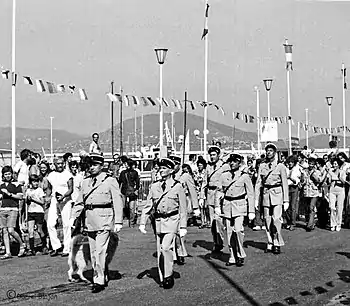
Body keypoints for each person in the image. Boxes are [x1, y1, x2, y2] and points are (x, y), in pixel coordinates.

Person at [70, 153, 123, 293]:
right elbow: (80, 202)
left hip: (104, 218)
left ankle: (98, 280)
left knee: (100, 250)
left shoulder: (109, 180)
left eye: (95, 165)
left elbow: (117, 201)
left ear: (102, 166)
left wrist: (118, 221)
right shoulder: (86, 181)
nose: (91, 168)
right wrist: (73, 217)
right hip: (90, 219)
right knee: (93, 252)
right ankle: (102, 270)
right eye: (90, 165)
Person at [139, 158, 187, 290]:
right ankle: (163, 276)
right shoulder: (154, 186)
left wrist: (183, 226)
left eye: (164, 168)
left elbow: (183, 208)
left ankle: (168, 276)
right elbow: (148, 205)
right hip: (159, 221)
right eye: (160, 168)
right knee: (160, 251)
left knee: (166, 248)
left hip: (172, 220)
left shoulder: (177, 186)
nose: (161, 170)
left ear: (171, 170)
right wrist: (142, 222)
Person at [216, 153, 255, 267]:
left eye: (234, 161)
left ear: (239, 163)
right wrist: (217, 206)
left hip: (239, 205)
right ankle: (232, 255)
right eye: (230, 161)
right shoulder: (223, 176)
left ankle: (240, 253)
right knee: (229, 232)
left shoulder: (244, 176)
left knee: (238, 230)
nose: (232, 163)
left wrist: (251, 210)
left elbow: (250, 194)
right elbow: (219, 191)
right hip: (227, 205)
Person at [255, 143, 289, 255]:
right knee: (267, 220)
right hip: (266, 194)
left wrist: (286, 200)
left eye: (271, 151)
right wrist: (256, 199)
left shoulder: (280, 166)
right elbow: (258, 183)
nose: (269, 152)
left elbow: (285, 184)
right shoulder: (262, 165)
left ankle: (277, 242)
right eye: (267, 150)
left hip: (277, 193)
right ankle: (270, 241)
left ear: (275, 152)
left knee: (276, 219)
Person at [45, 157, 73, 257]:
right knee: (50, 224)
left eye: (62, 164)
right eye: (58, 164)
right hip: (54, 199)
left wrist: (64, 196)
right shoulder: (51, 175)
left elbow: (71, 189)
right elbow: (49, 188)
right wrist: (47, 197)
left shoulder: (68, 175)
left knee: (66, 224)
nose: (60, 165)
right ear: (54, 164)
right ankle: (56, 246)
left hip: (66, 199)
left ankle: (67, 248)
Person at [0, 166, 26, 259]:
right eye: (5, 174)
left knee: (11, 230)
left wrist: (8, 193)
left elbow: (20, 196)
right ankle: (8, 252)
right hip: (3, 209)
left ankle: (22, 244)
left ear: (12, 174)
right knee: (5, 231)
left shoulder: (16, 184)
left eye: (9, 174)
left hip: (13, 209)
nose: (7, 175)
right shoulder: (2, 185)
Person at [206, 146, 226, 253]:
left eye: (214, 155)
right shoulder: (208, 167)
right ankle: (216, 242)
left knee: (219, 221)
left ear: (218, 155)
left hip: (219, 195)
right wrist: (201, 196)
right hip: (210, 194)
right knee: (212, 222)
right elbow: (205, 182)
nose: (212, 157)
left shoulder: (223, 166)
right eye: (211, 155)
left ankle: (221, 240)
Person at [26, 174, 48, 255]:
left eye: (36, 182)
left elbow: (42, 202)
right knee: (30, 230)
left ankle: (44, 246)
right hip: (31, 211)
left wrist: (34, 199)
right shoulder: (28, 190)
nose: (35, 183)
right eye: (33, 182)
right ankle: (32, 249)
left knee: (39, 230)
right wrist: (28, 199)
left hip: (39, 212)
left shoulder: (40, 190)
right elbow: (27, 202)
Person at [302, 157, 322, 232]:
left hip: (314, 192)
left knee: (311, 207)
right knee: (307, 208)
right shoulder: (304, 171)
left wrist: (314, 175)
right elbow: (303, 181)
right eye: (310, 163)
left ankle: (310, 225)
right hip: (306, 192)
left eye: (312, 164)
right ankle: (309, 222)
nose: (311, 165)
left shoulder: (317, 171)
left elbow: (319, 180)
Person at [119, 159, 140, 227]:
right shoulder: (134, 172)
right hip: (131, 191)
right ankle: (131, 222)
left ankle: (126, 221)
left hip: (125, 191)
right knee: (131, 207)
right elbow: (137, 183)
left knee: (125, 207)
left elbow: (119, 182)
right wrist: (136, 190)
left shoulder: (124, 173)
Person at [328, 158, 346, 232]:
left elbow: (344, 182)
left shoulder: (342, 172)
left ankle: (338, 224)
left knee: (339, 208)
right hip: (332, 191)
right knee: (332, 207)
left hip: (340, 191)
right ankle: (333, 224)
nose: (334, 165)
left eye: (335, 164)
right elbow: (329, 181)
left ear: (338, 165)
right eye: (333, 164)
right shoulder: (331, 171)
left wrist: (339, 177)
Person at [285, 155, 302, 231]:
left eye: (292, 162)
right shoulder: (286, 169)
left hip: (294, 188)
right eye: (289, 162)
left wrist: (290, 177)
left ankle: (293, 223)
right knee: (286, 206)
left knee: (293, 206)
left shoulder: (297, 169)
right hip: (286, 188)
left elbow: (297, 181)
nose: (290, 163)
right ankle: (288, 221)